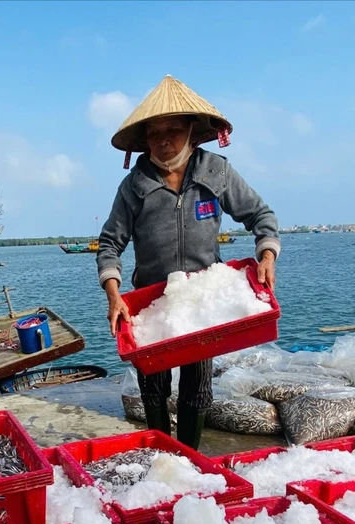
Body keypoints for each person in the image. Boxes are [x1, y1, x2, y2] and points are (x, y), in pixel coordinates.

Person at [97, 75, 280, 450]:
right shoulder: (134, 186)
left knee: (197, 388)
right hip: (153, 303)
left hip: (202, 300)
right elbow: (110, 243)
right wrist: (114, 294)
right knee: (153, 387)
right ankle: (163, 455)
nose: (163, 140)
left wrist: (266, 254)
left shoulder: (216, 171)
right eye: (154, 133)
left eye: (173, 130)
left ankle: (190, 458)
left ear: (193, 132)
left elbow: (260, 215)